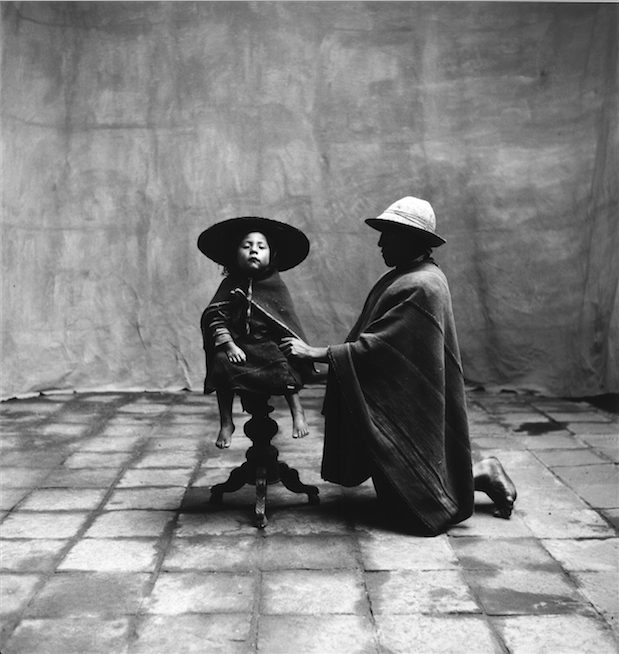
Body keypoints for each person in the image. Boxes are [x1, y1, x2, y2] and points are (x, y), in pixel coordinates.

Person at [281, 196, 516, 535]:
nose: (380, 243)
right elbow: (375, 336)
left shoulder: (423, 283)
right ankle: (478, 473)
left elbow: (380, 347)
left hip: (409, 398)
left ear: (412, 239)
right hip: (404, 392)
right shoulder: (406, 276)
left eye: (388, 235)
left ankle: (482, 472)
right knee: (398, 495)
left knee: (418, 507)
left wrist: (315, 353)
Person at [199, 217, 314, 448]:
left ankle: (297, 412)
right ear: (234, 255)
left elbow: (285, 325)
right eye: (246, 246)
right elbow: (215, 319)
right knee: (221, 363)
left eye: (261, 247)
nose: (254, 251)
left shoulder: (275, 286)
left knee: (283, 362)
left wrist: (291, 347)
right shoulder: (230, 285)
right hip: (238, 346)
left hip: (267, 347)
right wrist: (230, 346)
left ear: (272, 255)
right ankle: (226, 421)